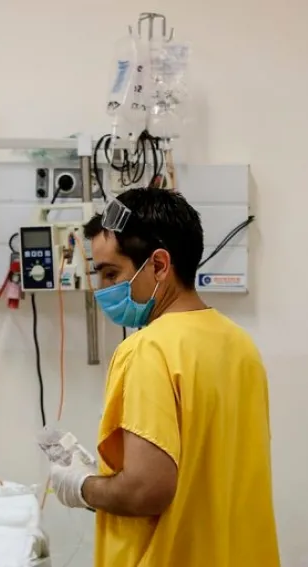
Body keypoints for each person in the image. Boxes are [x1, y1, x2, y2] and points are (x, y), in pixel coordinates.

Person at [48, 188, 279, 566]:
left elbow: (146, 491)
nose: (103, 290)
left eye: (111, 274)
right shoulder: (240, 346)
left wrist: (81, 485)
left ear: (158, 265)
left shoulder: (148, 350)